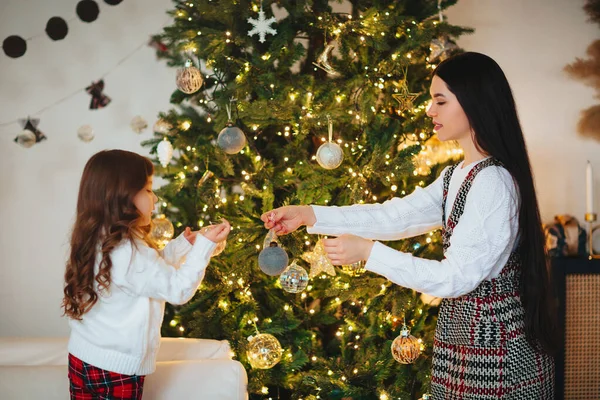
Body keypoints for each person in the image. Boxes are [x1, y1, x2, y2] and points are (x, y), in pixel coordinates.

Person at [262, 52, 557, 399]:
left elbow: (456, 278)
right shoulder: (457, 175)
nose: (430, 111)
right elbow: (395, 216)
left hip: (495, 347)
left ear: (475, 103)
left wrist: (369, 253)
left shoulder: (494, 182)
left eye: (440, 101)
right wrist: (311, 214)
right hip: (466, 335)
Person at [62, 149, 230, 400]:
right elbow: (178, 289)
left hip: (82, 355)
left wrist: (184, 245)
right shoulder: (128, 251)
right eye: (149, 190)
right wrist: (204, 248)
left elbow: (148, 275)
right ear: (123, 196)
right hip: (116, 370)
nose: (155, 199)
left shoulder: (100, 236)